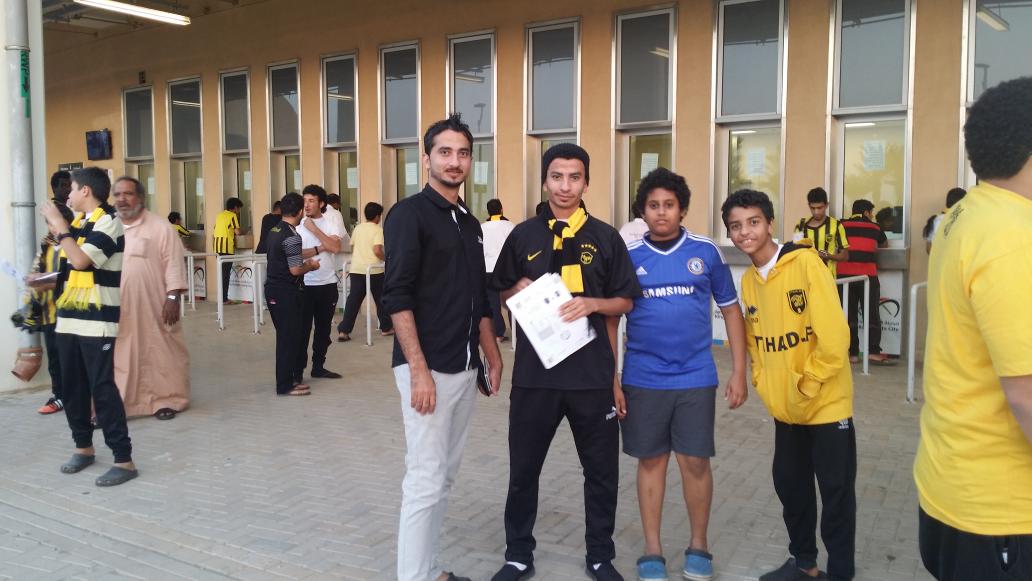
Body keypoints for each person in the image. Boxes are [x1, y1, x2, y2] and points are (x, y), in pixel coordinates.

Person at [490, 143, 640, 581]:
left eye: (574, 177)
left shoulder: (606, 237)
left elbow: (625, 301)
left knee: (601, 473)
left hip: (591, 377)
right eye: (557, 176)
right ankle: (518, 554)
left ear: (586, 183)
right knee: (523, 471)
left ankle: (600, 556)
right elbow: (499, 288)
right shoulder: (523, 235)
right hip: (535, 377)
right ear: (545, 181)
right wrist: (515, 289)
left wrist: (593, 304)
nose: (565, 186)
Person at [914, 76, 1032, 581]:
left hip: (951, 484)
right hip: (1002, 511)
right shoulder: (1015, 236)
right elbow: (1026, 395)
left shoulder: (965, 214)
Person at [382, 114, 504, 581]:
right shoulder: (409, 215)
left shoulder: (469, 223)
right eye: (445, 152)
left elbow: (479, 294)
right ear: (427, 157)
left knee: (443, 478)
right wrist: (418, 369)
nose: (455, 161)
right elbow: (397, 294)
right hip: (428, 370)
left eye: (463, 153)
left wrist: (491, 353)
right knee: (425, 479)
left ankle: (430, 570)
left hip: (464, 368)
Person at [621, 168, 748, 581]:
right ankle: (652, 551)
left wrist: (739, 371)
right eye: (653, 205)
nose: (661, 212)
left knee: (694, 462)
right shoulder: (629, 255)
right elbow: (611, 318)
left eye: (669, 205)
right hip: (643, 377)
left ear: (682, 209)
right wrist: (612, 378)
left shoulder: (705, 252)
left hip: (695, 375)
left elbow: (731, 310)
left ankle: (699, 546)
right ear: (642, 211)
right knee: (651, 461)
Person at [722, 189, 855, 581]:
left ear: (770, 223)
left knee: (835, 493)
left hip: (825, 405)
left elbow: (835, 339)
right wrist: (764, 384)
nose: (745, 232)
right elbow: (757, 345)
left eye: (753, 222)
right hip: (786, 411)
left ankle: (841, 572)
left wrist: (807, 385)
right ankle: (804, 564)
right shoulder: (749, 282)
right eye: (735, 226)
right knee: (791, 489)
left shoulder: (806, 263)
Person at [40, 167, 138, 487]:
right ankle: (83, 447)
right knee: (72, 388)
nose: (67, 195)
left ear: (85, 191)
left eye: (71, 189)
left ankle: (123, 460)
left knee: (102, 389)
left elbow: (82, 261)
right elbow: (70, 267)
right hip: (69, 319)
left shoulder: (109, 222)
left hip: (97, 323)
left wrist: (60, 227)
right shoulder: (79, 223)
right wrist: (43, 278)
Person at [111, 177, 189, 420]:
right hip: (117, 307)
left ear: (141, 198)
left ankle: (167, 400)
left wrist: (173, 296)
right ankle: (115, 404)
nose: (122, 199)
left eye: (128, 194)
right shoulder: (107, 227)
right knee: (119, 355)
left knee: (161, 351)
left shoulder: (160, 227)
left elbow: (173, 263)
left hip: (155, 305)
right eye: (117, 194)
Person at [263, 193, 321, 397]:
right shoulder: (292, 236)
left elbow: (286, 256)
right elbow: (295, 269)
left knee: (286, 338)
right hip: (286, 292)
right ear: (299, 211)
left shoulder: (275, 229)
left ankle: (288, 380)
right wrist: (311, 266)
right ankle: (285, 385)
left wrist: (309, 257)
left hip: (273, 289)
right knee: (289, 339)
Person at [33, 170, 74, 415]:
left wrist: (51, 280)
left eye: (54, 223)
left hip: (69, 311)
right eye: (49, 223)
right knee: (55, 358)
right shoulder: (46, 244)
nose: (51, 228)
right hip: (49, 311)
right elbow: (39, 268)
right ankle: (59, 395)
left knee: (71, 357)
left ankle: (73, 396)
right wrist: (34, 279)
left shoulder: (73, 245)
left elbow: (72, 274)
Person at [298, 185, 345, 380]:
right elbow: (296, 254)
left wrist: (315, 230)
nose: (307, 205)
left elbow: (335, 247)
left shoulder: (330, 223)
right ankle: (298, 372)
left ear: (321, 203)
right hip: (304, 284)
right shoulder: (297, 226)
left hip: (328, 284)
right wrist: (321, 247)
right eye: (305, 200)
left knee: (323, 330)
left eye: (311, 201)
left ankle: (318, 367)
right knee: (302, 330)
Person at [837, 200, 891, 365]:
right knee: (871, 314)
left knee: (848, 315)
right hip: (868, 277)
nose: (872, 216)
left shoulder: (841, 225)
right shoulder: (875, 228)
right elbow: (884, 244)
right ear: (866, 212)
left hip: (844, 276)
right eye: (871, 212)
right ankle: (873, 352)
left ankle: (852, 353)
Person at [338, 202, 392, 342]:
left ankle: (344, 331)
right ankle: (386, 328)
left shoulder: (358, 228)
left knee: (353, 301)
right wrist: (387, 259)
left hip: (356, 269)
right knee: (381, 299)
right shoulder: (378, 230)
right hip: (374, 270)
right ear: (377, 216)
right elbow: (377, 250)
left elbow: (352, 247)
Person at [794, 187, 848, 278]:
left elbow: (845, 256)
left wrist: (829, 256)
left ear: (826, 205)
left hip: (827, 278)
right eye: (813, 208)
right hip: (805, 277)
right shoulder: (801, 225)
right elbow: (794, 251)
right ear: (809, 205)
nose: (816, 212)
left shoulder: (836, 226)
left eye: (820, 208)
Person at [481, 198, 515, 341]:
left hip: (488, 269)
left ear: (488, 211)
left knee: (493, 302)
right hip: (506, 268)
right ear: (501, 210)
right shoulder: (510, 226)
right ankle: (516, 333)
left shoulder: (482, 227)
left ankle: (498, 334)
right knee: (512, 301)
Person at [213, 197, 243, 304]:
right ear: (235, 207)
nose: (238, 211)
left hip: (217, 247)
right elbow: (238, 232)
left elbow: (215, 228)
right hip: (227, 248)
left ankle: (221, 298)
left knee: (221, 274)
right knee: (225, 274)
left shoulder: (219, 215)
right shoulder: (233, 216)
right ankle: (224, 299)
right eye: (238, 208)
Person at [921, 187, 965, 254]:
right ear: (961, 203)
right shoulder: (961, 221)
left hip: (937, 259)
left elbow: (929, 249)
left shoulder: (935, 220)